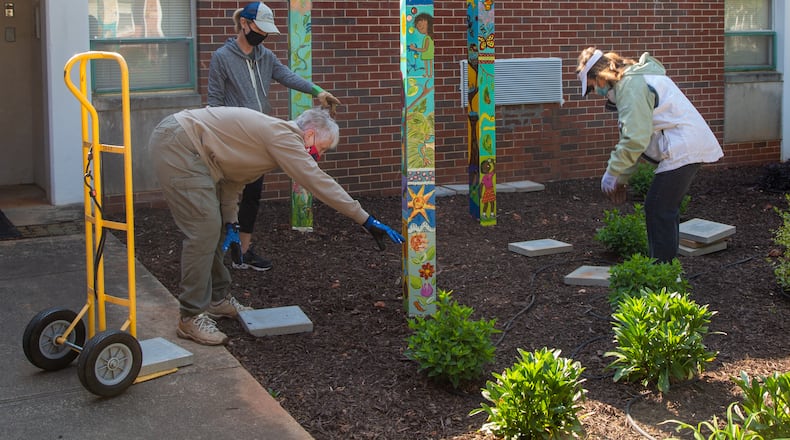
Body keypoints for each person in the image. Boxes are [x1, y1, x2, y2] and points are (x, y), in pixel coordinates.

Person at [149, 107, 404, 346]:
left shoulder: (269, 145)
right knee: (203, 230)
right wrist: (366, 219)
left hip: (197, 153)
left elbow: (233, 182)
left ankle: (217, 299)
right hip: (179, 144)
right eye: (322, 149)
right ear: (310, 134)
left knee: (214, 228)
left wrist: (231, 223)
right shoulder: (284, 136)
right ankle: (190, 316)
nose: (320, 156)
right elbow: (317, 181)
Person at [207, 1, 341, 271]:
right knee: (226, 195)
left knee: (253, 195)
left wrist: (318, 91)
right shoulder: (222, 57)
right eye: (260, 28)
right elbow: (214, 101)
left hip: (261, 136)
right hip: (233, 138)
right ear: (244, 23)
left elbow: (287, 76)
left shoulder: (265, 56)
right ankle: (219, 252)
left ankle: (243, 251)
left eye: (267, 31)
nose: (263, 35)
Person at [576, 47, 723, 263]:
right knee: (663, 208)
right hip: (684, 145)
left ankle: (663, 274)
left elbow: (635, 138)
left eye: (591, 88)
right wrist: (622, 177)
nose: (594, 94)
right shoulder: (633, 80)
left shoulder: (630, 85)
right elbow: (634, 135)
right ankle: (667, 270)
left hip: (682, 147)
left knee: (658, 208)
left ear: (600, 76)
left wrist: (613, 173)